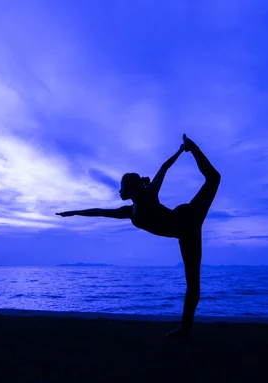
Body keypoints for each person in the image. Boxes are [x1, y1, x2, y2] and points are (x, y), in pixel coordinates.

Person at [56, 134, 221, 338]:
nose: (119, 191)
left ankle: (193, 147)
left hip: (189, 220)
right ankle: (185, 329)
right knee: (192, 283)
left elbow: (164, 167)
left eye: (122, 187)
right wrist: (73, 212)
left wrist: (181, 150)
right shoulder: (129, 211)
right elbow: (99, 211)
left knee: (214, 178)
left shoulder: (149, 194)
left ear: (132, 188)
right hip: (184, 231)